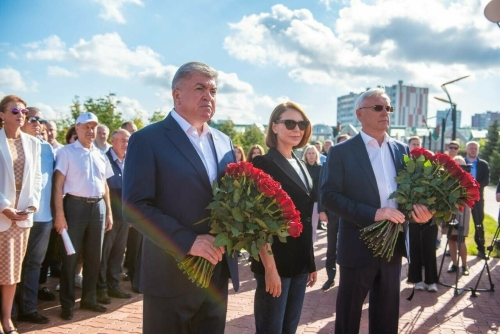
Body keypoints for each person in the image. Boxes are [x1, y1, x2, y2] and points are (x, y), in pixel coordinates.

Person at [122, 61, 239, 334]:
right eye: (200, 88)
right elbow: (134, 207)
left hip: (217, 274)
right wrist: (188, 242)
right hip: (170, 276)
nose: (208, 96)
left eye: (213, 90)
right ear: (177, 95)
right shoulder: (147, 139)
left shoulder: (224, 141)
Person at [320, 88, 432, 334]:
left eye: (388, 108)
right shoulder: (341, 152)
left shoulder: (402, 150)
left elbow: (407, 196)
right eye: (378, 107)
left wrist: (419, 212)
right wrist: (374, 213)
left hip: (392, 247)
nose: (385, 113)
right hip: (357, 247)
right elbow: (328, 196)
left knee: (387, 317)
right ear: (360, 114)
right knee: (348, 317)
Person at [251, 102, 316, 334]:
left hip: (299, 262)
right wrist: (269, 267)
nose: (297, 128)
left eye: (302, 124)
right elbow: (256, 221)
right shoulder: (263, 164)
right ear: (275, 127)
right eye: (290, 123)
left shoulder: (300, 163)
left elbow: (306, 216)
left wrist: (310, 261)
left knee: (289, 330)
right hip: (276, 262)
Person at [53, 112, 114, 320]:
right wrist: (59, 215)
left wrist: (109, 212)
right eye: (86, 127)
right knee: (70, 258)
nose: (90, 131)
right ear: (76, 128)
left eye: (93, 127)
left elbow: (104, 185)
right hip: (74, 207)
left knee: (94, 257)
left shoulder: (100, 154)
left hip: (98, 207)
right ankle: (67, 304)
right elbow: (58, 184)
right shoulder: (66, 152)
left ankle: (89, 299)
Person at [0, 95, 42, 334]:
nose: (21, 115)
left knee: (12, 272)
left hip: (21, 217)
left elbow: (37, 178)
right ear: (2, 115)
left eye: (24, 111)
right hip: (2, 213)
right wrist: (4, 206)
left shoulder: (33, 143)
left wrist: (32, 205)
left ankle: (7, 320)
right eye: (15, 111)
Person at [17, 108, 55, 324]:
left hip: (44, 219)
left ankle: (28, 309)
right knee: (13, 265)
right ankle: (10, 312)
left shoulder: (47, 147)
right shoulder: (13, 145)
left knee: (34, 265)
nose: (36, 122)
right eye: (32, 118)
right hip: (19, 217)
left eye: (39, 119)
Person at [97, 129, 132, 304]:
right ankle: (101, 288)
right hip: (109, 214)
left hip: (125, 216)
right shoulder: (104, 159)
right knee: (104, 253)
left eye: (128, 141)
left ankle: (113, 285)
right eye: (123, 140)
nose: (126, 144)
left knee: (118, 254)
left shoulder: (130, 161)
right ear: (113, 141)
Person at [405, 136, 439, 292]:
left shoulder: (430, 164)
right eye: (413, 144)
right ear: (409, 146)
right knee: (414, 249)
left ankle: (431, 281)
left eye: (418, 144)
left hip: (430, 217)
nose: (416, 146)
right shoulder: (405, 165)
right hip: (412, 217)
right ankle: (416, 279)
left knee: (430, 249)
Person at [318, 134, 350, 291]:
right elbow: (321, 188)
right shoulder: (328, 164)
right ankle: (330, 277)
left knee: (350, 247)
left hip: (352, 214)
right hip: (332, 213)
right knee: (331, 247)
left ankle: (347, 280)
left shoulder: (357, 164)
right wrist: (321, 210)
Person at [464, 141, 490, 259]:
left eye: (475, 148)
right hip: (462, 199)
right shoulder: (462, 162)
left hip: (477, 199)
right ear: (467, 149)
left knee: (479, 224)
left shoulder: (483, 164)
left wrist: (474, 187)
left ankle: (481, 249)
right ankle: (454, 248)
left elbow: (486, 181)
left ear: (477, 150)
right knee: (458, 224)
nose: (473, 150)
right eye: (471, 148)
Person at [446, 156, 470, 275]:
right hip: (450, 212)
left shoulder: (467, 179)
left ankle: (465, 265)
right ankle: (454, 264)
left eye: (461, 165)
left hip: (462, 212)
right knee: (451, 238)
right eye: (456, 164)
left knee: (460, 239)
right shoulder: (447, 177)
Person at [302, 144, 322, 242]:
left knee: (313, 226)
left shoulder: (321, 168)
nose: (311, 155)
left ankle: (312, 249)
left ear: (316, 155)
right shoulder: (302, 167)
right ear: (306, 155)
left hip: (315, 201)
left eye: (313, 153)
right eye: (309, 153)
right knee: (304, 225)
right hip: (304, 200)